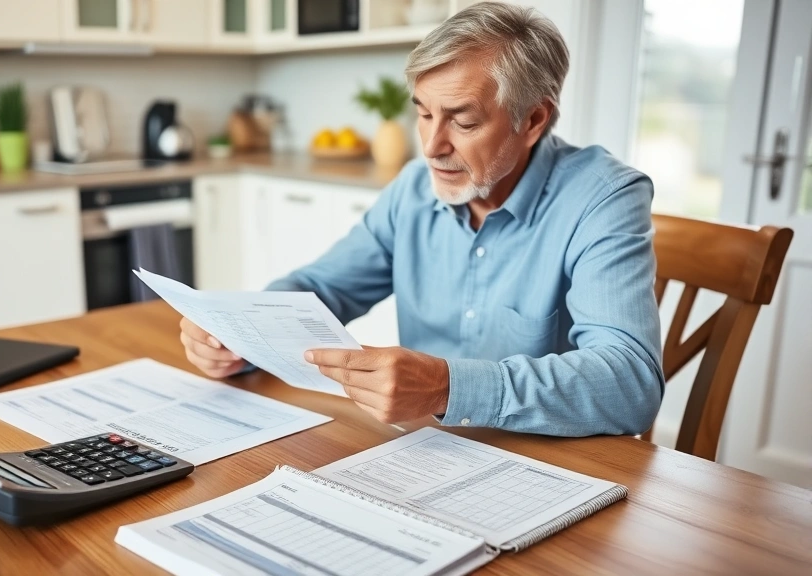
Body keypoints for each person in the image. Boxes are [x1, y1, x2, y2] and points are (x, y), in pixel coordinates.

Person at [178, 1, 663, 437]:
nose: (432, 147)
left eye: (464, 121)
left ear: (533, 120)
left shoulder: (605, 199)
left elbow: (630, 384)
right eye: (424, 114)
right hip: (424, 448)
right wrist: (238, 333)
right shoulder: (412, 189)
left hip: (551, 462)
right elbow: (322, 289)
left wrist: (448, 388)